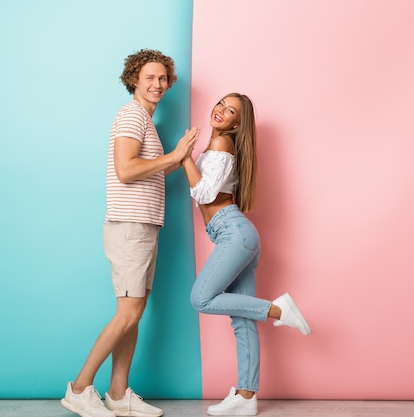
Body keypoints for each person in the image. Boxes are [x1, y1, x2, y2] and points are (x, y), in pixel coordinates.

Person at [61, 49, 199, 417]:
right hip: (129, 228)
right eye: (149, 77)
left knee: (133, 314)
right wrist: (176, 155)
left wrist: (177, 159)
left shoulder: (145, 121)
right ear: (134, 80)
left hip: (144, 226)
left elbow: (145, 170)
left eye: (163, 78)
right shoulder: (130, 116)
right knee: (127, 313)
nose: (157, 84)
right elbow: (126, 169)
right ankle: (79, 388)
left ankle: (118, 395)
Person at [181, 93, 311, 416]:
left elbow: (206, 193)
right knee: (242, 320)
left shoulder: (222, 146)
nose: (221, 111)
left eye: (231, 111)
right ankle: (246, 395)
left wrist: (183, 157)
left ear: (238, 124)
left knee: (201, 298)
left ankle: (278, 310)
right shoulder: (217, 149)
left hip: (233, 233)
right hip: (236, 234)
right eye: (221, 104)